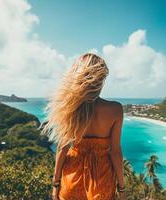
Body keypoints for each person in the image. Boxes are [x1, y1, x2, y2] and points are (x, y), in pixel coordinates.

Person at [41, 53, 125, 200]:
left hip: (72, 178)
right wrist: (121, 188)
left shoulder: (70, 108)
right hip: (101, 179)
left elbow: (63, 148)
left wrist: (56, 185)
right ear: (100, 80)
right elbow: (115, 152)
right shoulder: (115, 109)